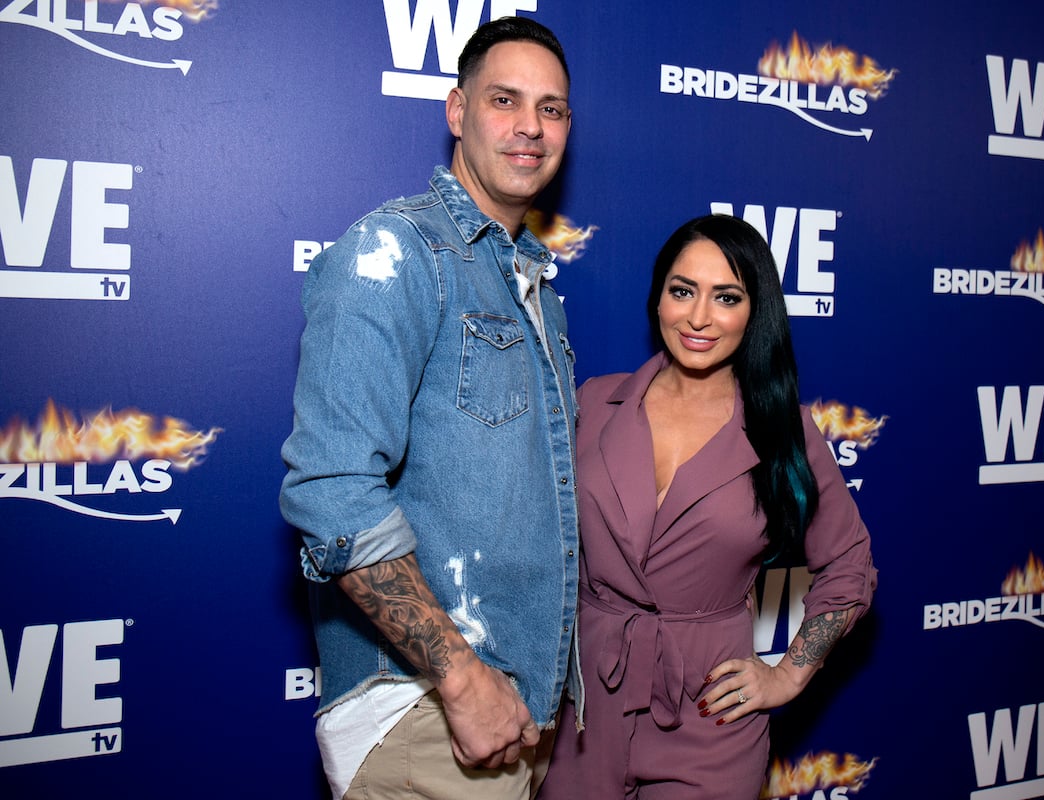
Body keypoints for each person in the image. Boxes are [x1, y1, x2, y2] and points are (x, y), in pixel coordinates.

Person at [279, 17, 579, 800]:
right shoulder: (395, 250)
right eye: (504, 100)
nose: (530, 127)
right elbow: (330, 491)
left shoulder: (527, 280)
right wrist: (459, 678)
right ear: (456, 110)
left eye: (552, 109)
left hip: (506, 710)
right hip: (427, 710)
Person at [538, 214, 877, 799]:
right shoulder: (593, 402)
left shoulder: (784, 433)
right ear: (658, 298)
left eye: (726, 297)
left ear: (755, 311)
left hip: (709, 720)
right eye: (682, 291)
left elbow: (849, 567)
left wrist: (791, 674)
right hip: (583, 712)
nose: (698, 318)